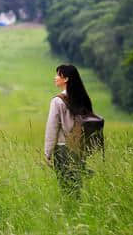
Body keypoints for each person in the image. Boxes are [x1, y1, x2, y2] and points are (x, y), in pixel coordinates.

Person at [44, 64, 94, 197]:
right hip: (79, 148)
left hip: (63, 149)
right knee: (77, 185)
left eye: (58, 75)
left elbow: (52, 128)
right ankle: (78, 210)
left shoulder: (57, 101)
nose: (55, 78)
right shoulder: (83, 98)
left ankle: (69, 210)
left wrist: (48, 152)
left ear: (65, 79)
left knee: (65, 187)